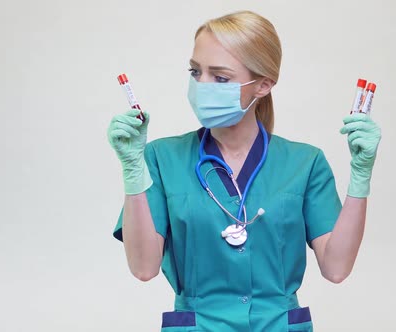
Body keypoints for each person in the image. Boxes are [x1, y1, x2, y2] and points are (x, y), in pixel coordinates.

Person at [107, 10, 381, 332]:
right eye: (196, 72)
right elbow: (143, 268)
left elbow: (336, 268)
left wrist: (361, 176)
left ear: (263, 85)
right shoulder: (161, 158)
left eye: (220, 78)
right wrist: (132, 171)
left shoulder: (304, 163)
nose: (202, 85)